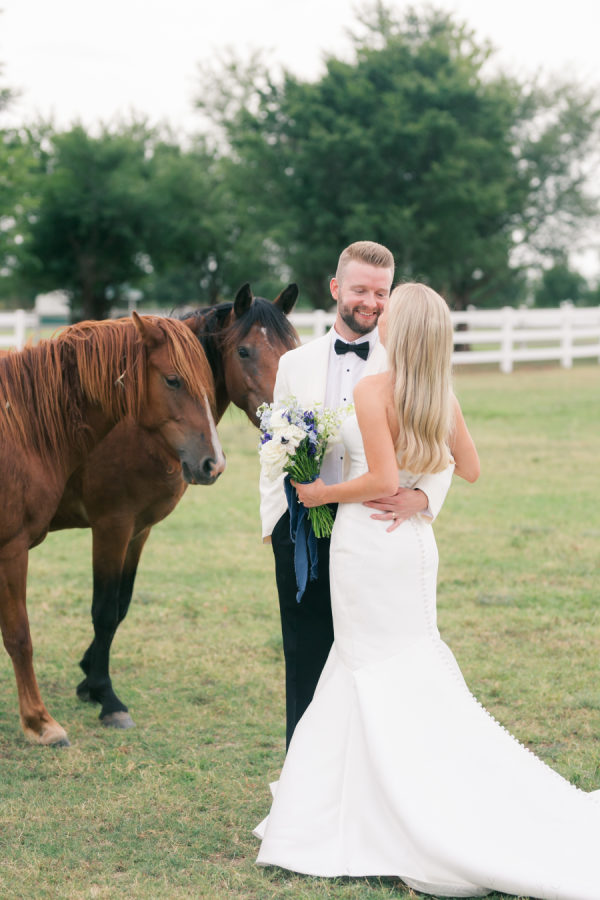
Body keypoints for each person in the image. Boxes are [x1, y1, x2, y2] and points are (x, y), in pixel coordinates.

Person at [255, 283, 600, 899]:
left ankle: (369, 812)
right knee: (400, 662)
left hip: (367, 545)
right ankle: (362, 801)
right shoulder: (441, 393)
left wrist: (319, 494)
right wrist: (420, 492)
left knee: (365, 665)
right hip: (412, 546)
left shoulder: (372, 390)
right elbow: (468, 466)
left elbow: (381, 475)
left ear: (400, 330)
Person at [260, 241, 479, 749]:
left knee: (375, 651)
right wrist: (274, 524)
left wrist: (423, 499)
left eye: (382, 292)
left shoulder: (406, 360)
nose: (373, 302)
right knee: (308, 653)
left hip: (378, 524)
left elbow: (437, 452)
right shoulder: (296, 363)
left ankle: (373, 763)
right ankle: (305, 768)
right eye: (361, 290)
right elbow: (274, 444)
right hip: (307, 532)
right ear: (337, 289)